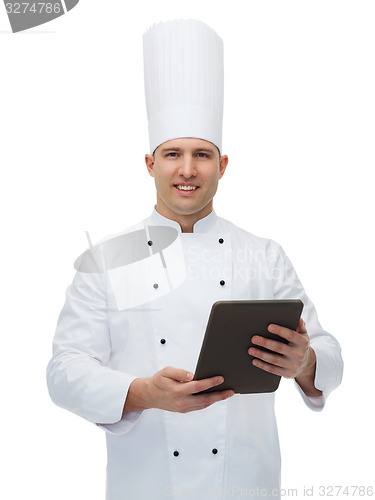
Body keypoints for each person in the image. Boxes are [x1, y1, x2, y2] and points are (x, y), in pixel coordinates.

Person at [46, 19, 343, 500]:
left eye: (202, 154)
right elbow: (63, 371)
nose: (187, 170)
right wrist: (143, 392)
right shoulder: (107, 258)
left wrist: (304, 361)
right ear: (150, 164)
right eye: (172, 155)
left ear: (222, 165)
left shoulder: (263, 255)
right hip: (146, 487)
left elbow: (330, 355)